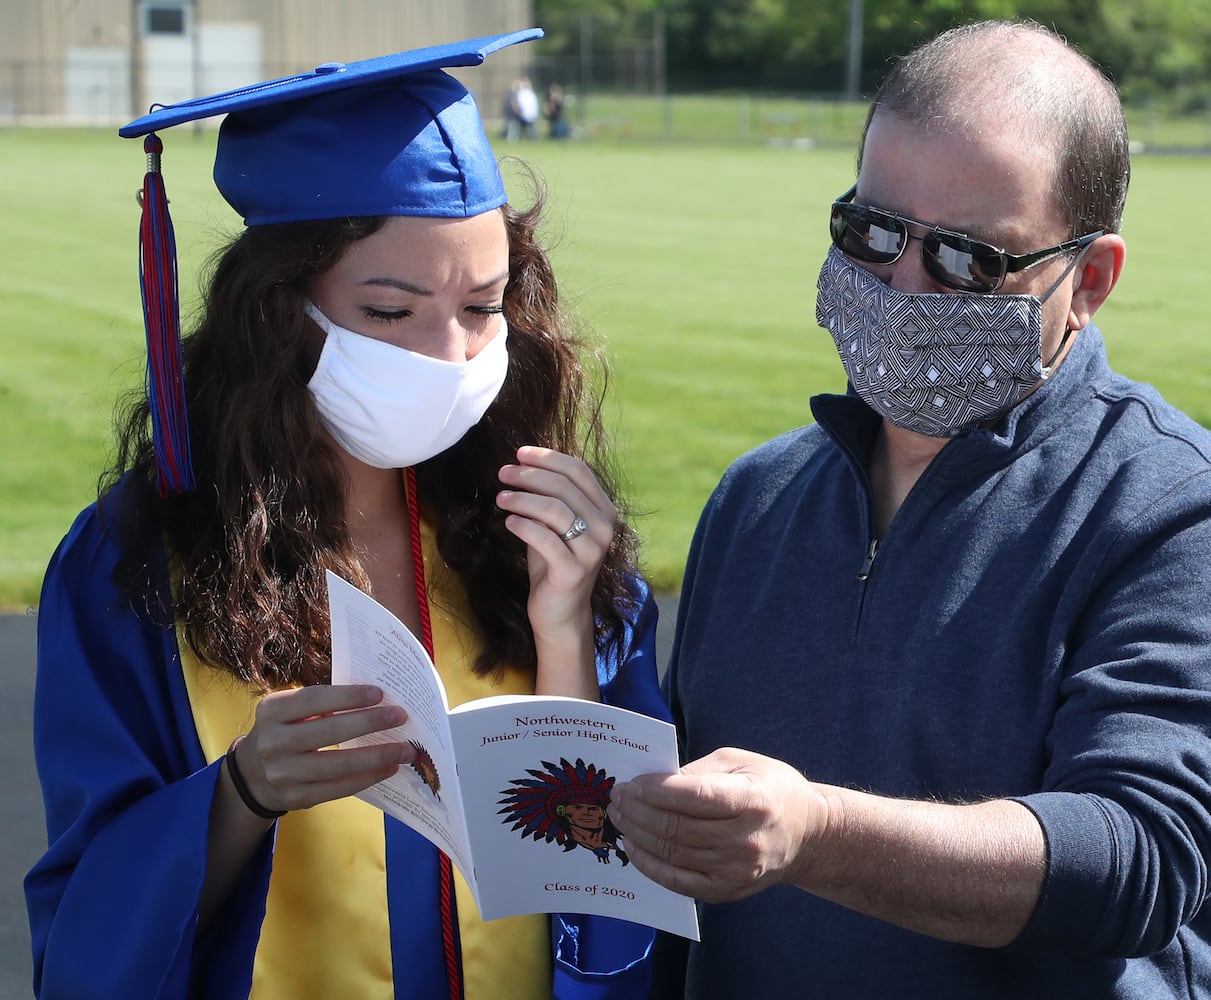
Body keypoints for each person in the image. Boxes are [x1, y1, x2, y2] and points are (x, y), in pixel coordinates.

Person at [24, 29, 668, 1000]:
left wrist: (566, 630)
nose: (451, 353)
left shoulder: (536, 528)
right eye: (389, 310)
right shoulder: (142, 565)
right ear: (278, 310)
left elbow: (604, 880)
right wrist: (240, 793)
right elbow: (89, 929)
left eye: (483, 306)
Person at [607, 19, 1211, 999]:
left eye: (968, 260)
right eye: (870, 232)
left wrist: (814, 832)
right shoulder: (756, 496)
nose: (901, 286)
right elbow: (679, 857)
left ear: (1087, 280)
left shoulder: (1170, 505)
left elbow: (1139, 858)